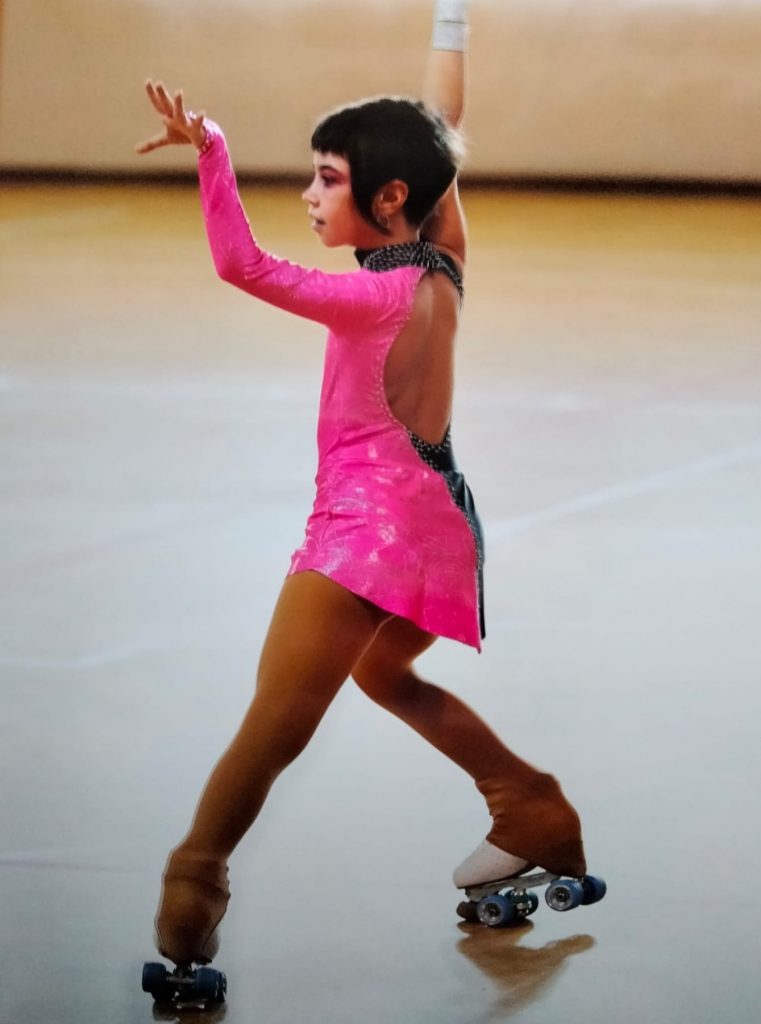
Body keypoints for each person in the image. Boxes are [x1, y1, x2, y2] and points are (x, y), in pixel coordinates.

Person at [136, 0, 586, 967]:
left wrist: (212, 149)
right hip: (441, 527)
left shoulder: (371, 298)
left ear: (386, 199)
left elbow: (240, 263)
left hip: (364, 537)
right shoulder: (443, 262)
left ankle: (192, 884)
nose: (307, 194)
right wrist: (451, 19)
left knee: (273, 722)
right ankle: (528, 802)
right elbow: (441, 129)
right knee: (382, 672)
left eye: (326, 179)